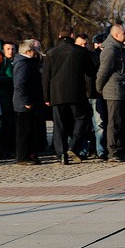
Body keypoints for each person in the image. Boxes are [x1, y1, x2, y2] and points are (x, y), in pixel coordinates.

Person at [42, 26, 94, 164]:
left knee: (59, 125)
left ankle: (61, 154)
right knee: (81, 119)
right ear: (72, 35)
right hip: (77, 93)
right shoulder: (80, 51)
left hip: (56, 95)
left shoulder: (51, 53)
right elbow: (90, 71)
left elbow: (46, 77)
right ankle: (74, 146)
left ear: (59, 36)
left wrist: (46, 96)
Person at [95, 24, 125, 162]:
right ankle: (113, 151)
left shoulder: (119, 48)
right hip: (114, 91)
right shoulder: (110, 50)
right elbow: (104, 71)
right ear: (116, 35)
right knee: (114, 122)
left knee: (120, 122)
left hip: (121, 90)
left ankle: (120, 149)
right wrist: (99, 87)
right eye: (124, 33)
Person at [13, 40, 44, 165]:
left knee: (31, 130)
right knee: (24, 131)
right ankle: (23, 157)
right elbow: (20, 84)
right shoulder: (23, 64)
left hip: (29, 101)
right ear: (28, 51)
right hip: (24, 104)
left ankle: (30, 155)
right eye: (33, 50)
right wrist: (26, 101)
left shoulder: (27, 62)